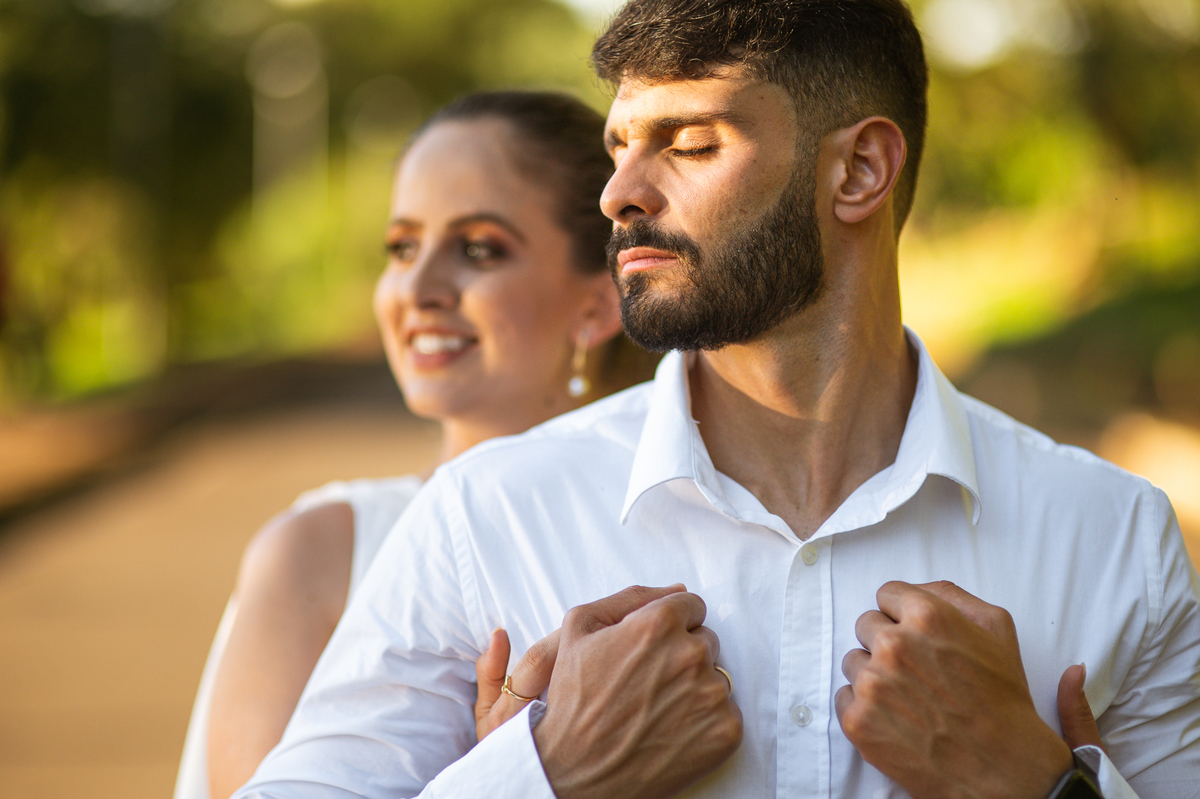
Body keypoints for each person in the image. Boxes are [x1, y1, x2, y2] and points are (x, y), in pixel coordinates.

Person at [235, 1, 1200, 798]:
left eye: (688, 144)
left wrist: (1039, 788)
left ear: (859, 170)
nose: (618, 192)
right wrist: (544, 774)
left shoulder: (1115, 538)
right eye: (618, 145)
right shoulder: (486, 520)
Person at [173, 89, 655, 799]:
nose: (418, 287)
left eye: (477, 248)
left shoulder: (664, 539)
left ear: (597, 303)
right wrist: (521, 771)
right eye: (402, 247)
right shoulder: (319, 552)